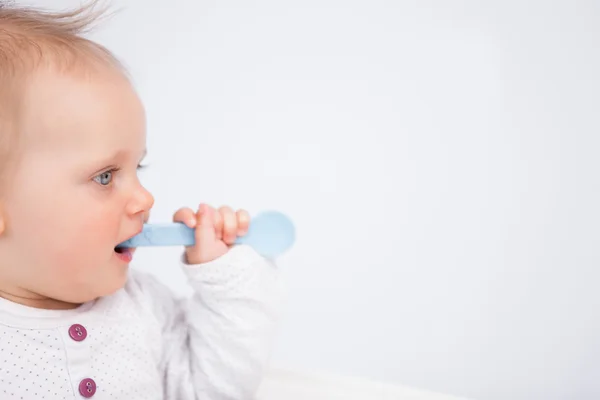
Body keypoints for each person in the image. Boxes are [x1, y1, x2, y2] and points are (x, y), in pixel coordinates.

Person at [0, 1, 282, 399]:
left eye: (139, 169)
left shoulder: (141, 307)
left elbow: (213, 388)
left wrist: (226, 278)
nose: (145, 199)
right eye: (104, 176)